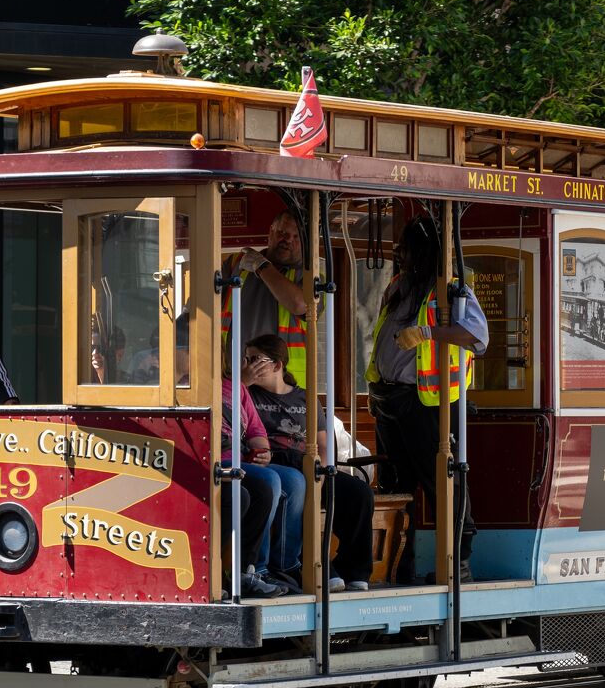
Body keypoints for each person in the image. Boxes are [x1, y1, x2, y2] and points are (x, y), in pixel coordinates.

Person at [367, 218, 487, 582]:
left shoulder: (451, 291)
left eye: (405, 248)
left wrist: (428, 333)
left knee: (443, 482)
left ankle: (457, 564)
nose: (398, 254)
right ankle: (397, 565)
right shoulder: (399, 287)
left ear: (424, 253)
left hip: (431, 404)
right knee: (395, 487)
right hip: (390, 400)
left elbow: (477, 337)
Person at [245, 334, 373, 593]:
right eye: (246, 360)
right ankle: (309, 564)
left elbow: (324, 443)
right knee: (296, 489)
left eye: (255, 359)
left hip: (311, 464)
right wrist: (244, 381)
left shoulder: (305, 398)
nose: (249, 365)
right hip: (275, 462)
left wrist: (322, 473)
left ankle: (354, 568)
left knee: (359, 493)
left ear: (277, 365)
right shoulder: (247, 394)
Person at [179, 342, 286, 598]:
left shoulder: (233, 387)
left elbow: (256, 431)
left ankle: (248, 571)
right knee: (253, 489)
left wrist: (263, 451)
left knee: (264, 487)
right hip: (205, 460)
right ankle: (211, 570)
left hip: (236, 460)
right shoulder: (182, 386)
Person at [226, 208, 316, 388]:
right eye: (283, 233)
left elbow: (300, 304)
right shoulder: (236, 264)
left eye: (296, 236)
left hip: (283, 387)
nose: (288, 240)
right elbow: (199, 303)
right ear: (271, 231)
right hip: (235, 379)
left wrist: (261, 266)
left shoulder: (310, 275)